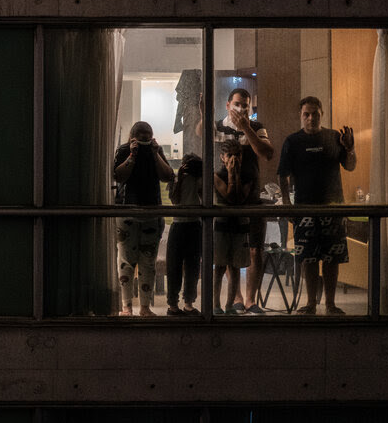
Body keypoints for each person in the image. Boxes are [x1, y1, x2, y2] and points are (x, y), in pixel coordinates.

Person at [277, 96, 357, 316]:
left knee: (332, 258)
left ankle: (330, 304)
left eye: (315, 114)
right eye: (306, 114)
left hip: (333, 209)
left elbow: (350, 167)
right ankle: (311, 302)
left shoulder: (334, 138)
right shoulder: (292, 142)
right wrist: (287, 205)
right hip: (304, 208)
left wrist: (350, 149)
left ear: (322, 114)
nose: (311, 118)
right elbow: (283, 176)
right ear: (301, 116)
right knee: (308, 259)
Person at [209, 88, 273, 314]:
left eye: (246, 105)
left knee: (255, 248)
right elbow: (199, 134)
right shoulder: (217, 126)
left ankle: (250, 299)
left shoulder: (256, 127)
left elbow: (267, 153)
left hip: (251, 195)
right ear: (227, 105)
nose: (241, 108)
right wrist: (201, 113)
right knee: (227, 250)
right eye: (237, 104)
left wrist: (246, 126)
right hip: (225, 197)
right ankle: (234, 298)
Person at [112, 121, 175, 317]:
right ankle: (126, 306)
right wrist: (132, 154)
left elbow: (168, 176)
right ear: (132, 136)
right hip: (127, 213)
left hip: (151, 213)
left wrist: (156, 154)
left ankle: (145, 307)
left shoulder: (155, 152)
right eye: (140, 134)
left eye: (148, 134)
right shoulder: (123, 150)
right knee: (125, 261)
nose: (144, 137)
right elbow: (118, 177)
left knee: (148, 263)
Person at [213, 137, 251, 314]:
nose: (234, 159)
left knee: (235, 267)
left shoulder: (248, 175)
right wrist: (231, 174)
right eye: (230, 155)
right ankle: (215, 304)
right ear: (222, 157)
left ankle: (229, 304)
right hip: (221, 225)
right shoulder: (217, 175)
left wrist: (236, 175)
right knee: (219, 266)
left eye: (238, 155)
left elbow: (239, 199)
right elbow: (229, 196)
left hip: (239, 225)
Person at [166, 153, 202, 316]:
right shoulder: (177, 179)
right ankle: (174, 304)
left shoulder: (200, 179)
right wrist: (179, 178)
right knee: (176, 266)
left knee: (192, 266)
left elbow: (203, 198)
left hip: (192, 224)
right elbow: (174, 200)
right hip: (182, 224)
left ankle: (186, 303)